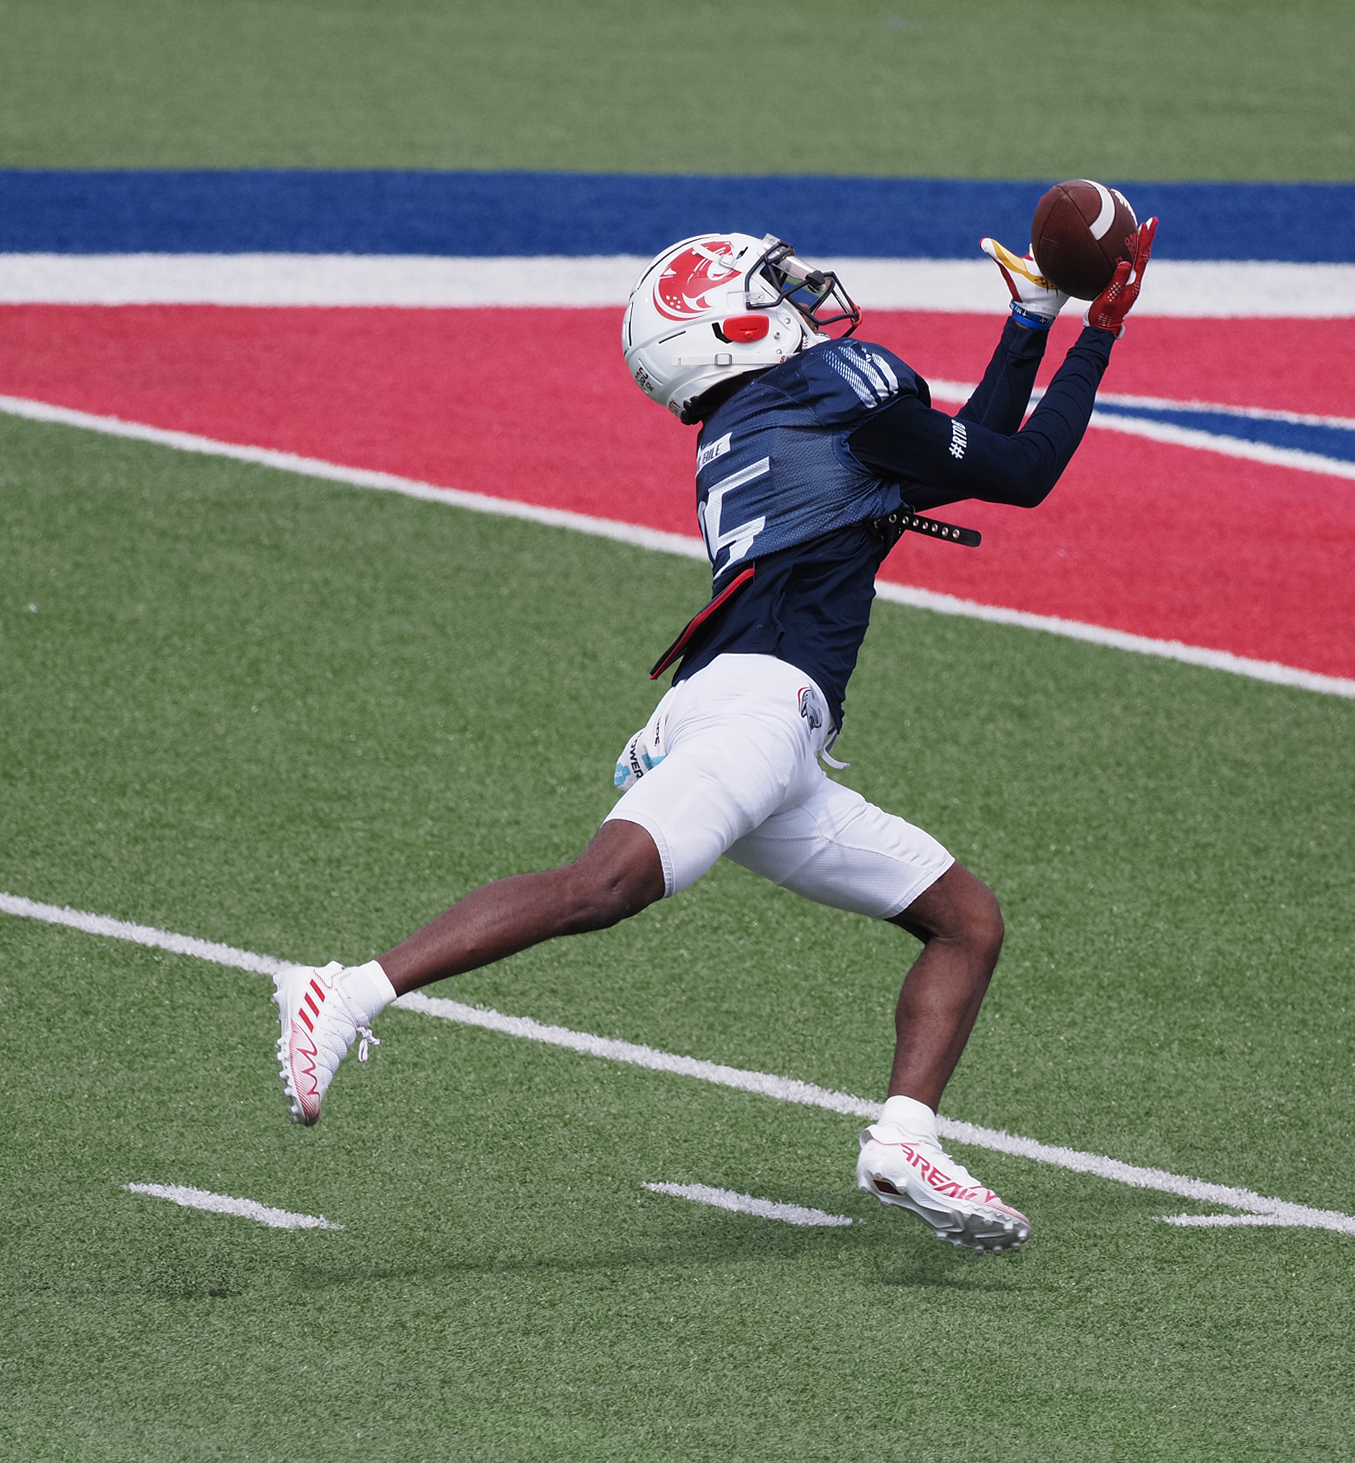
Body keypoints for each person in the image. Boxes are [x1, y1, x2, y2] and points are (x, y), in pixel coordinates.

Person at [273, 222, 1156, 1252]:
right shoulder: (834, 387)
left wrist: (1028, 316)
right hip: (758, 708)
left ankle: (903, 1138)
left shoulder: (765, 417)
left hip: (761, 720)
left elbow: (967, 458)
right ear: (725, 328)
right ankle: (348, 988)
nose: (801, 295)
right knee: (601, 886)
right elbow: (1024, 468)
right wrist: (1098, 328)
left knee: (966, 918)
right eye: (770, 287)